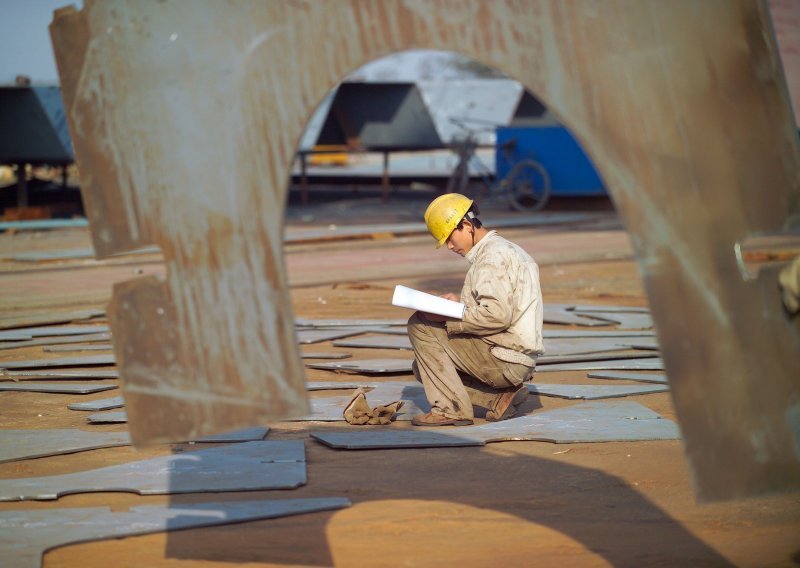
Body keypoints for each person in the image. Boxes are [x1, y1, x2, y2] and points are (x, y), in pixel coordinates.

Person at [408, 193, 544, 426]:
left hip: (505, 359)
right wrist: (460, 305)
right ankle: (498, 400)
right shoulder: (505, 250)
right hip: (514, 355)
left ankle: (451, 410)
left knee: (420, 325)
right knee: (424, 367)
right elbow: (500, 308)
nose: (449, 246)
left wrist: (448, 314)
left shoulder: (491, 258)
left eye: (450, 238)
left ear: (466, 225)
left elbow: (496, 315)